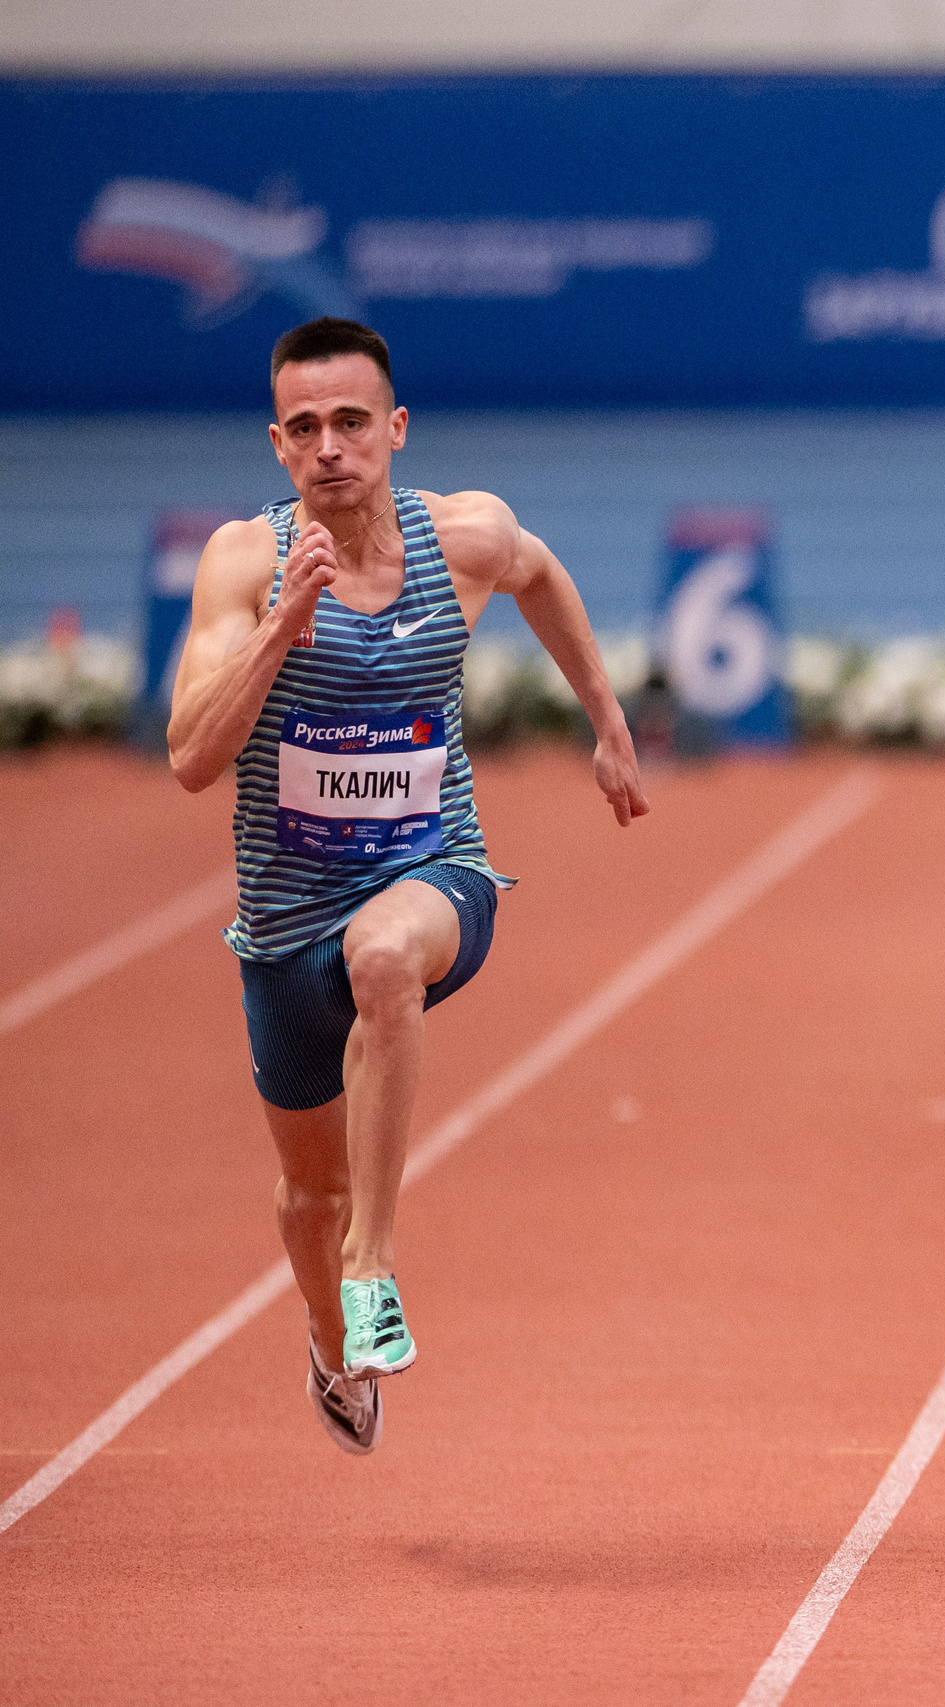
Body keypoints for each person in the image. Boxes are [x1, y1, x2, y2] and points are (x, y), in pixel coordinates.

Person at [168, 317, 647, 1454]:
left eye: (349, 422)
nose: (329, 446)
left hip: (434, 871)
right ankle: (333, 1343)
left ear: (394, 428)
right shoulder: (243, 560)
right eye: (304, 428)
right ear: (278, 446)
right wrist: (284, 623)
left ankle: (373, 1266)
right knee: (305, 1196)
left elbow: (543, 576)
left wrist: (610, 723)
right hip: (286, 919)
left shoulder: (464, 535)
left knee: (385, 961)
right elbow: (192, 757)